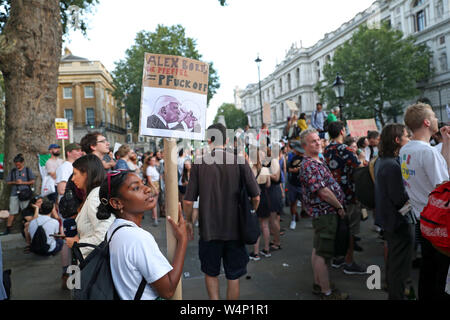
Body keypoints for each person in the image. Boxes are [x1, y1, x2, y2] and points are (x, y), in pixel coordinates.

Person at [183, 123, 260, 300]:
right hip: (235, 229)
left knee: (211, 273)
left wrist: (189, 221)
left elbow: (188, 201)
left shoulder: (199, 162)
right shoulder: (240, 161)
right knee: (233, 276)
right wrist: (252, 213)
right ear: (226, 140)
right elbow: (256, 197)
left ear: (208, 140)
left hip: (209, 231)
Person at [96, 170, 187, 300]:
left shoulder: (115, 229)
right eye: (136, 188)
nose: (147, 189)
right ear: (117, 203)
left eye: (143, 183)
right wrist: (183, 240)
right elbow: (168, 290)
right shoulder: (137, 238)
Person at [399, 103, 449, 300]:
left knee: (428, 270)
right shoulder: (427, 152)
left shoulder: (406, 150)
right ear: (427, 122)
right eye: (434, 117)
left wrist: (446, 142)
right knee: (442, 275)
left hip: (422, 219)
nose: (438, 119)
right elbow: (444, 187)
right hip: (440, 222)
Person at [298, 129, 348, 300]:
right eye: (313, 141)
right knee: (323, 254)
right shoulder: (309, 165)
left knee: (318, 249)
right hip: (325, 213)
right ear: (305, 146)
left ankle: (320, 284)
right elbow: (323, 192)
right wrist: (339, 206)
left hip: (325, 213)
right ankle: (327, 292)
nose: (318, 143)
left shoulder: (316, 161)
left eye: (318, 139)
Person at [374, 123, 415, 300]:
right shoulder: (391, 165)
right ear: (397, 140)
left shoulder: (383, 161)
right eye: (407, 136)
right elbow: (400, 200)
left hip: (390, 221)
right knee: (399, 267)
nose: (409, 139)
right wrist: (413, 213)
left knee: (394, 263)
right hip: (398, 223)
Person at [324, 121, 366, 275]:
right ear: (342, 131)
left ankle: (338, 258)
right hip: (348, 194)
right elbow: (359, 167)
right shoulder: (345, 149)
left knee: (338, 228)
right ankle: (349, 262)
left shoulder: (327, 149)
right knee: (351, 229)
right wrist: (361, 157)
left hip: (332, 194)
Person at [65, 154, 115, 259]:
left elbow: (103, 235)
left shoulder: (95, 197)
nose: (72, 179)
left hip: (95, 262)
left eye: (75, 174)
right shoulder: (95, 193)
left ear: (86, 174)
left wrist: (77, 243)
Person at [55, 142, 83, 288]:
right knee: (69, 241)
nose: (80, 152)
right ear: (69, 152)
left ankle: (72, 277)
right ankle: (67, 274)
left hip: (74, 211)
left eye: (80, 150)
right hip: (69, 211)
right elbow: (61, 189)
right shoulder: (65, 167)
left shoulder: (73, 167)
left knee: (74, 242)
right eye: (77, 150)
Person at [1, 154, 36, 236]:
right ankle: (8, 229)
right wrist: (15, 182)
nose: (17, 165)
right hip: (14, 193)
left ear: (22, 163)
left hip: (25, 194)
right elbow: (8, 182)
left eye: (19, 164)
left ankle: (29, 227)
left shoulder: (27, 170)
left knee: (26, 211)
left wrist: (23, 183)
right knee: (12, 211)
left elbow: (32, 181)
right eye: (16, 164)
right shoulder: (13, 171)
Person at [249, 149, 272, 261]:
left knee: (255, 225)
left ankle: (256, 252)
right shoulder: (266, 169)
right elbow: (268, 184)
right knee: (265, 225)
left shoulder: (251, 170)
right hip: (265, 198)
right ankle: (267, 249)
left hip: (255, 199)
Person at [266, 145, 283, 251]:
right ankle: (275, 240)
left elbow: (276, 177)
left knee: (273, 219)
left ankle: (277, 242)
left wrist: (265, 172)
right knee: (273, 219)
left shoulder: (274, 161)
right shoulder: (272, 161)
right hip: (272, 191)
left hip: (273, 191)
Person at [287, 140, 305, 230]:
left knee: (305, 201)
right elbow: (289, 169)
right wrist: (295, 169)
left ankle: (303, 213)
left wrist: (298, 169)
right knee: (292, 202)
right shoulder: (293, 158)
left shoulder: (307, 158)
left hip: (303, 184)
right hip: (293, 183)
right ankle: (293, 219)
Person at [145, 156, 161, 227]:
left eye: (155, 160)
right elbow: (149, 180)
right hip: (153, 185)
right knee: (154, 202)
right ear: (149, 161)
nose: (154, 161)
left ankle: (154, 216)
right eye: (153, 160)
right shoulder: (149, 168)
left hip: (156, 184)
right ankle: (155, 219)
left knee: (155, 201)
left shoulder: (153, 167)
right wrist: (155, 188)